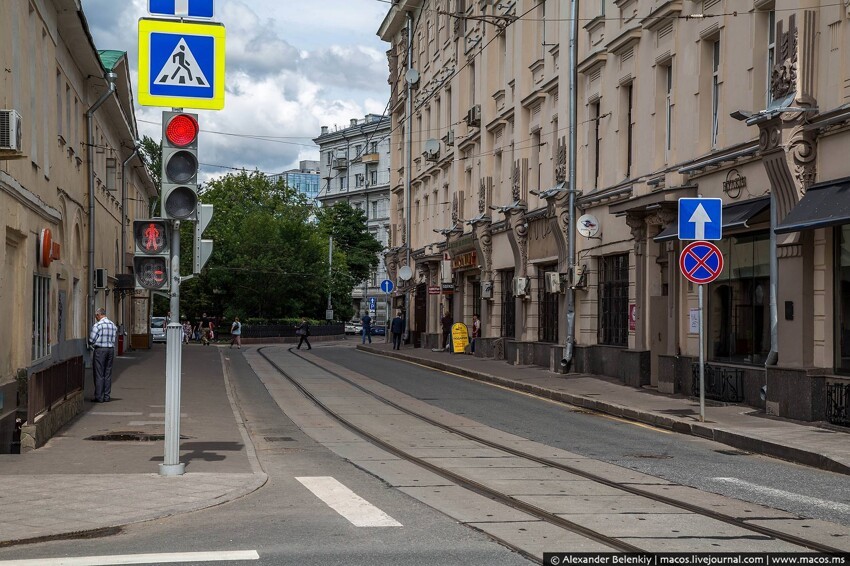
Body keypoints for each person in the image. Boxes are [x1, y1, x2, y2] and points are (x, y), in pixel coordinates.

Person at [89, 307, 117, 403]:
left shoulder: (98, 325)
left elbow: (91, 339)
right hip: (110, 350)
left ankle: (99, 397)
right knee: (107, 373)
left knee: (99, 373)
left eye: (96, 316)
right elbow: (114, 338)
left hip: (100, 350)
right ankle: (106, 396)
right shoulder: (112, 325)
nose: (96, 318)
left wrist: (92, 344)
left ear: (98, 315)